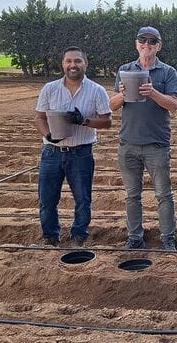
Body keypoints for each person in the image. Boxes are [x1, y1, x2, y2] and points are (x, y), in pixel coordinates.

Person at [110, 26, 177, 250]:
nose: (146, 44)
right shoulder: (124, 70)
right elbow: (112, 107)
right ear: (136, 43)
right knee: (132, 195)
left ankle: (168, 239)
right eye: (143, 40)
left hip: (156, 145)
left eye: (152, 41)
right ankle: (135, 238)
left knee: (163, 195)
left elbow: (174, 106)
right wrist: (123, 94)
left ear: (159, 46)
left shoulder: (168, 72)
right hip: (128, 143)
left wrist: (152, 92)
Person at [35, 46, 112, 247]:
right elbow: (40, 117)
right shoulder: (49, 89)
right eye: (69, 61)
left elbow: (107, 122)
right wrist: (48, 135)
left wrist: (83, 121)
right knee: (47, 199)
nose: (73, 65)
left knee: (82, 199)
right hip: (52, 153)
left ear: (85, 64)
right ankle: (50, 237)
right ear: (63, 64)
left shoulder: (97, 90)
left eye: (77, 61)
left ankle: (79, 236)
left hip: (81, 152)